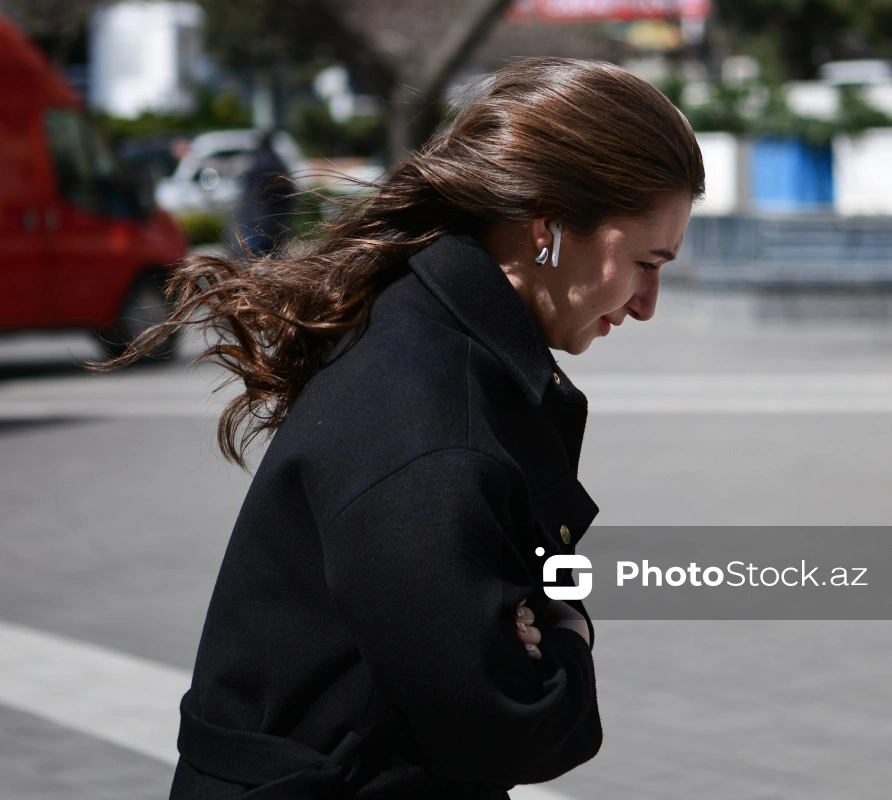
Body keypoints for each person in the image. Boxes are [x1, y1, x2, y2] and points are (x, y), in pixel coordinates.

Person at [105, 57, 704, 798]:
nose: (648, 303)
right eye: (647, 261)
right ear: (547, 225)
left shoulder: (431, 325)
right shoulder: (434, 425)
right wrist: (568, 638)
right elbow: (508, 721)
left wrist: (538, 614)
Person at [234, 129, 296, 257]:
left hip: (250, 222)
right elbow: (289, 195)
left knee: (250, 265)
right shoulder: (277, 164)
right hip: (270, 225)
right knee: (270, 266)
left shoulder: (254, 163)